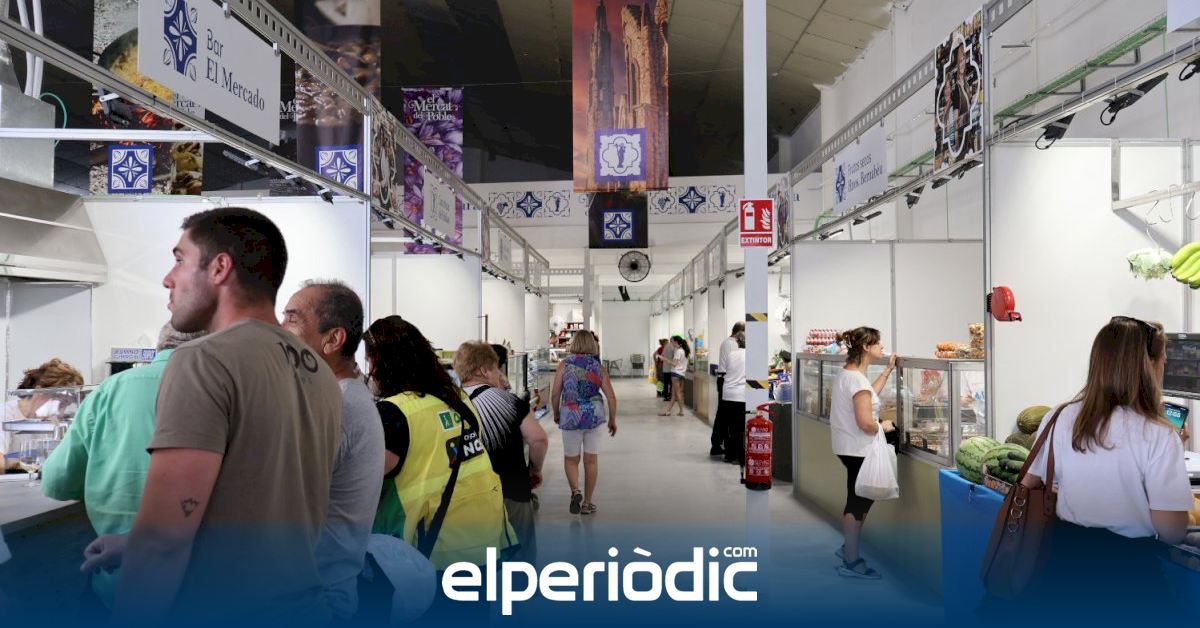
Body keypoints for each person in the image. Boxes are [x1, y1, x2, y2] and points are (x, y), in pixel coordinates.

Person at [109, 207, 342, 624]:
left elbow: (164, 540)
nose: (168, 278)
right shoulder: (316, 369)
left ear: (219, 267)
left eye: (179, 259)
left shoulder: (203, 361)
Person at [1014, 316, 1192, 619]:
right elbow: (1172, 531)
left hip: (1061, 566)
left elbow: (1029, 481)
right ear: (1148, 366)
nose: (1164, 365)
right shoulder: (1159, 435)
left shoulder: (1059, 416)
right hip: (1129, 577)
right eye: (1163, 359)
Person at [41, 323, 205, 610]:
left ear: (159, 347)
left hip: (115, 577)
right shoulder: (221, 387)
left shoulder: (112, 388)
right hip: (202, 587)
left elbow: (57, 482)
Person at [364, 316, 516, 569]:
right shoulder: (458, 399)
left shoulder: (395, 413)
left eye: (370, 361)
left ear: (382, 363)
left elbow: (363, 480)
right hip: (483, 538)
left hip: (433, 550)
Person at [281, 280, 384, 621]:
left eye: (292, 319)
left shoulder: (336, 406)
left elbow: (282, 506)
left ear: (333, 339)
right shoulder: (342, 397)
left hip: (314, 600)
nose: (279, 330)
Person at [455, 342, 549, 562]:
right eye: (496, 368)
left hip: (467, 497)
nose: (499, 374)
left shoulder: (450, 404)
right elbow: (538, 439)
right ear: (484, 370)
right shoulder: (509, 401)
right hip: (511, 490)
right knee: (519, 558)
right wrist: (534, 470)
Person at [829, 327, 896, 580]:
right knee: (857, 504)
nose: (882, 347)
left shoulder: (850, 374)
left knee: (859, 500)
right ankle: (851, 563)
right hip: (858, 448)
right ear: (866, 347)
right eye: (878, 343)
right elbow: (865, 422)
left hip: (848, 446)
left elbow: (868, 396)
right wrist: (883, 426)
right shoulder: (856, 380)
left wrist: (887, 371)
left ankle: (848, 548)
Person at [551, 330, 617, 515]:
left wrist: (556, 413)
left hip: (570, 415)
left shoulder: (565, 365)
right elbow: (611, 397)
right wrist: (612, 419)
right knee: (591, 461)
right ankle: (587, 503)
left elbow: (555, 393)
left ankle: (575, 491)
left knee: (571, 459)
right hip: (593, 417)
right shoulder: (598, 366)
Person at [4, 358, 85, 468]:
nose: (61, 412)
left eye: (66, 404)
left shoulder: (48, 422)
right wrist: (25, 464)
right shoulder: (5, 414)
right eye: (60, 402)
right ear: (39, 391)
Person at [711, 323, 745, 456]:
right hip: (729, 382)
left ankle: (719, 445)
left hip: (725, 381)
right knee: (726, 417)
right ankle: (721, 445)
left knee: (723, 415)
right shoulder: (732, 345)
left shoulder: (726, 342)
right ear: (740, 332)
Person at [719, 332, 747, 465]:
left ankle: (729, 455)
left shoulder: (731, 354)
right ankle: (738, 457)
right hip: (740, 395)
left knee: (730, 426)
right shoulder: (750, 355)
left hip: (727, 393)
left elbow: (727, 370)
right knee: (739, 428)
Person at [659, 336, 690, 417]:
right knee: (674, 394)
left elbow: (674, 364)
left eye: (672, 341)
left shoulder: (679, 351)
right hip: (681, 374)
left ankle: (681, 411)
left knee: (677, 393)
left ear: (676, 342)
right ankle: (668, 411)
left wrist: (664, 359)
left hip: (676, 374)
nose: (671, 343)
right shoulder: (684, 351)